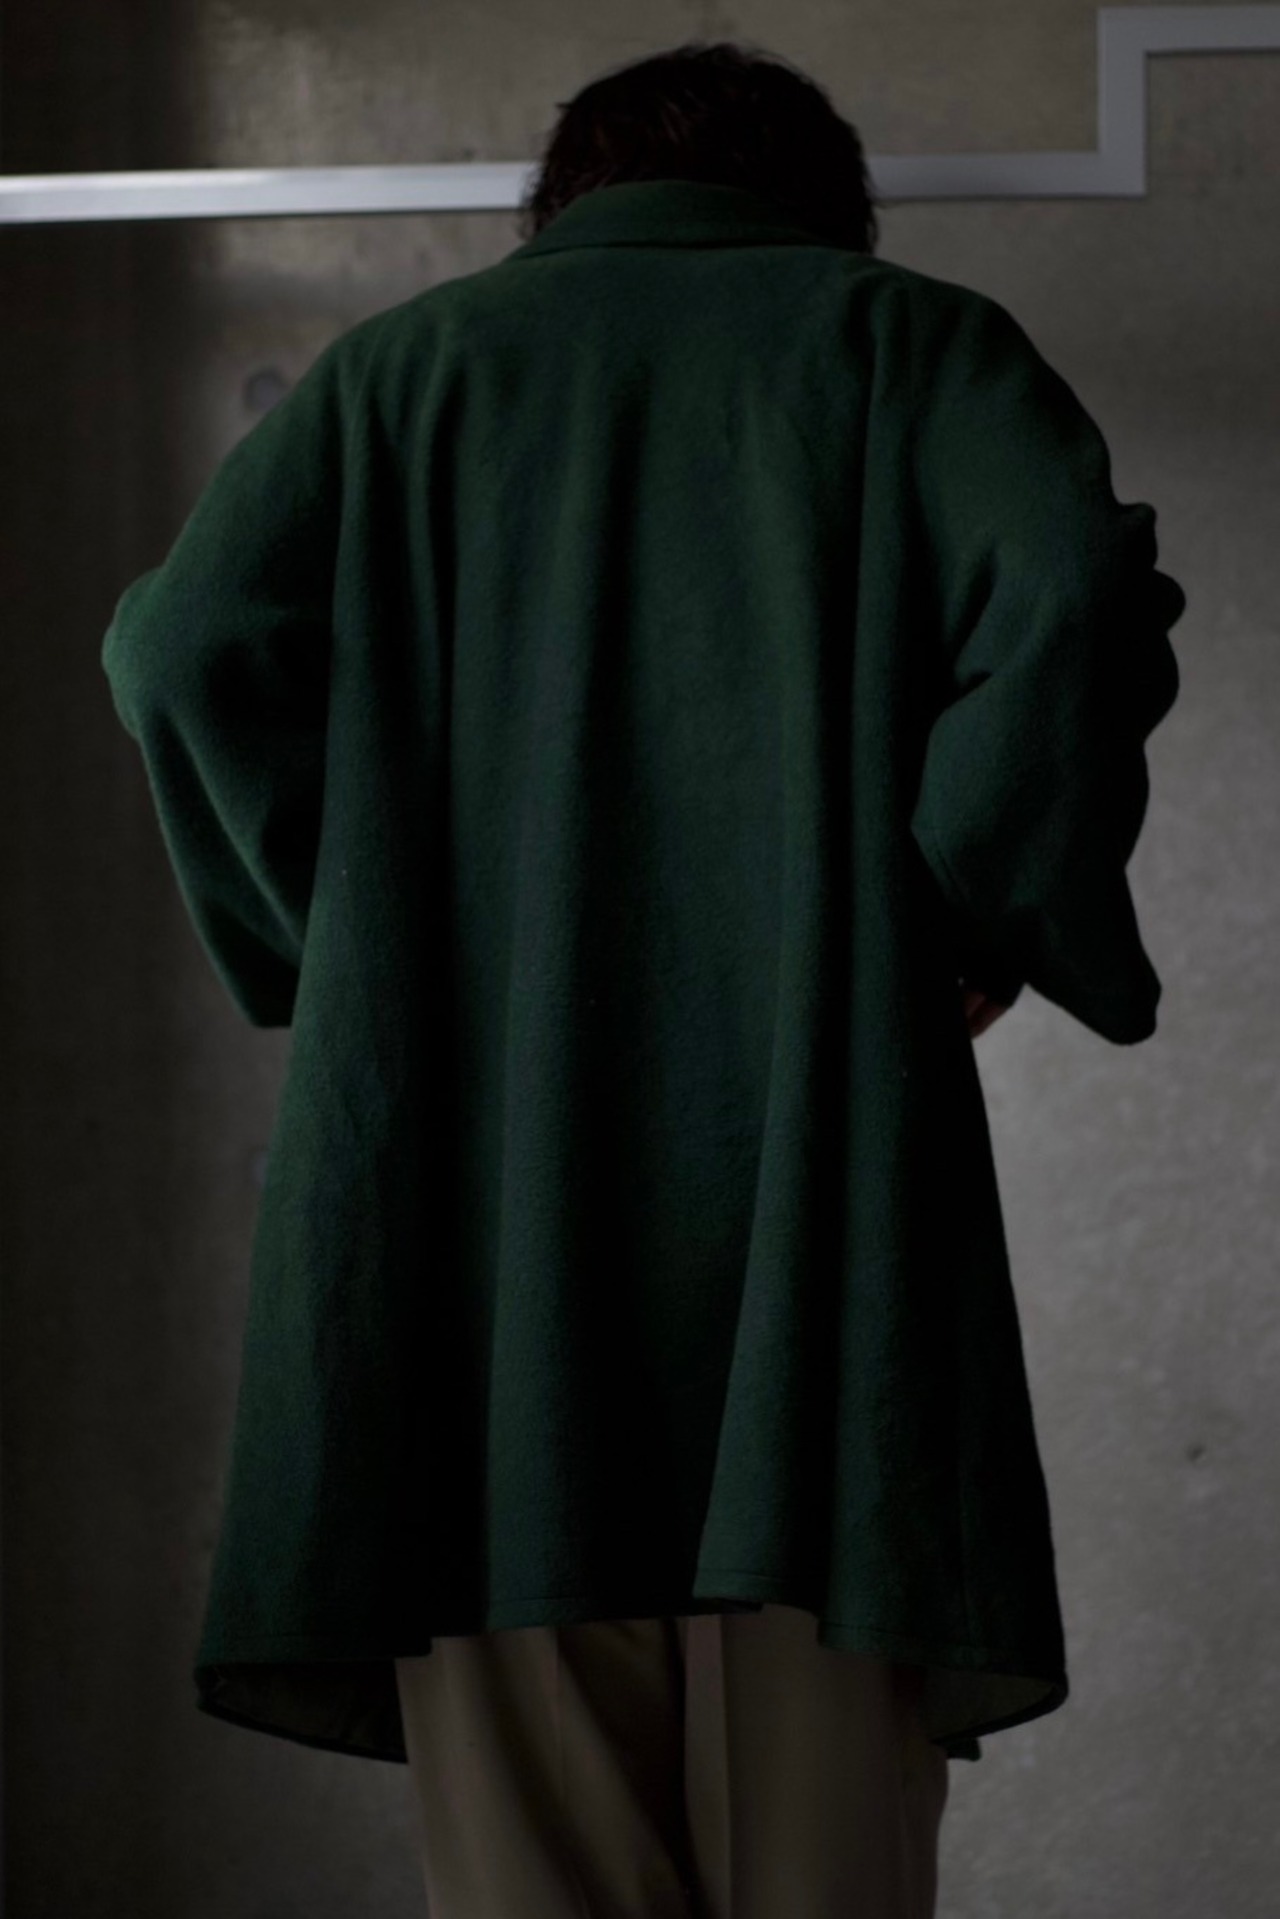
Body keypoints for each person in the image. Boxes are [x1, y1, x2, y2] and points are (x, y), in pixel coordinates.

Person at [100, 36, 1186, 1919]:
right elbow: (1075, 600)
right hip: (825, 1259)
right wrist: (967, 911)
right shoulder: (906, 347)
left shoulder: (399, 377)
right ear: (820, 212)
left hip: (480, 1286)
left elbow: (179, 648)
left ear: (562, 208)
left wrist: (353, 940)